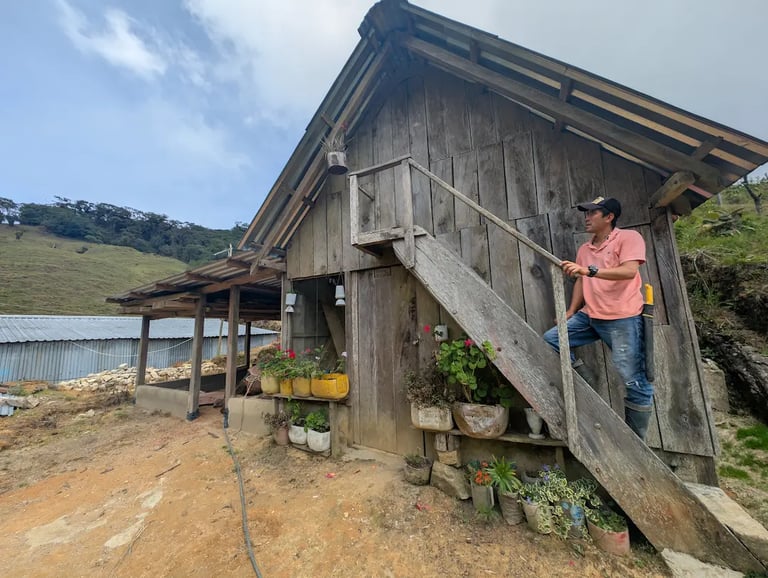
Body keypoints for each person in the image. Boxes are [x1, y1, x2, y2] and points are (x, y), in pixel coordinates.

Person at [542, 197, 654, 441]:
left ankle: (636, 442)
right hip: (589, 316)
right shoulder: (585, 249)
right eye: (586, 213)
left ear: (609, 216)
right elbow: (582, 281)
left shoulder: (628, 238)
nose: (587, 218)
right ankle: (586, 385)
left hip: (622, 318)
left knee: (634, 379)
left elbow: (629, 271)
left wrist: (589, 271)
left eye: (593, 213)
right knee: (551, 339)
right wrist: (572, 310)